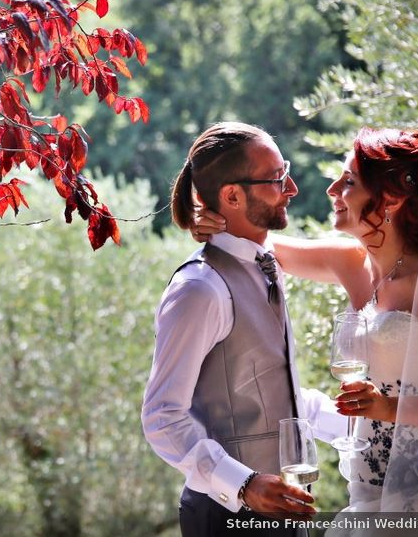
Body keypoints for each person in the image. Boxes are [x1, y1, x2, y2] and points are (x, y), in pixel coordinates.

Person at [191, 127, 418, 511]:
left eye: (347, 181)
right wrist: (214, 221)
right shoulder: (352, 264)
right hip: (369, 485)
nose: (332, 190)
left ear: (391, 199)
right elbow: (259, 247)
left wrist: (387, 407)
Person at [142, 122, 346, 536]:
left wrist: (363, 430)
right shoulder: (200, 288)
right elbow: (162, 417)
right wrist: (245, 484)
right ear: (232, 195)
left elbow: (268, 392)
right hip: (229, 519)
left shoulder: (264, 265)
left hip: (284, 509)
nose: (291, 188)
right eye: (275, 179)